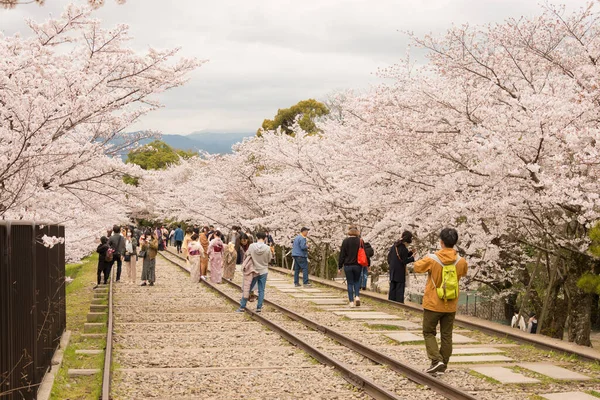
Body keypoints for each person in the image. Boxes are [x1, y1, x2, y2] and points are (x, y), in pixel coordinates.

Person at [413, 228, 468, 374]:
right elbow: (463, 272)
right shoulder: (461, 261)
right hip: (450, 304)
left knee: (428, 331)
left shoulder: (433, 259)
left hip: (433, 302)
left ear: (441, 242)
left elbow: (417, 267)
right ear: (455, 243)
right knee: (446, 334)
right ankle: (444, 362)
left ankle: (436, 360)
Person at [237, 232, 272, 313]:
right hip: (263, 271)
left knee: (248, 288)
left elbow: (247, 255)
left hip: (253, 271)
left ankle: (242, 306)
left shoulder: (252, 246)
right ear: (265, 238)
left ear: (256, 238)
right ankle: (259, 308)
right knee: (261, 290)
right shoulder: (267, 248)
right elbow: (269, 259)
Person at [338, 227, 363, 307]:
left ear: (349, 232)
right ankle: (357, 296)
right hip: (357, 265)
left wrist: (340, 266)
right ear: (357, 232)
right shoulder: (360, 241)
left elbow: (342, 255)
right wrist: (368, 264)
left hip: (348, 265)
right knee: (356, 281)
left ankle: (351, 301)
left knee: (350, 283)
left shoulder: (345, 241)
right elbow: (365, 253)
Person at [387, 231, 415, 303]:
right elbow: (404, 261)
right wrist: (412, 258)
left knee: (392, 287)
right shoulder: (404, 249)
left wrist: (410, 253)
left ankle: (391, 302)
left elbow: (390, 257)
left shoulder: (394, 246)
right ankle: (399, 303)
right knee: (399, 288)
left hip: (393, 270)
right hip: (399, 272)